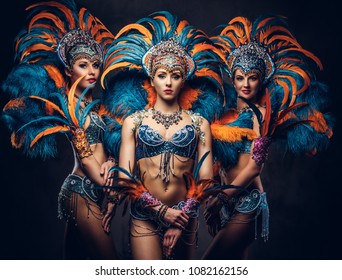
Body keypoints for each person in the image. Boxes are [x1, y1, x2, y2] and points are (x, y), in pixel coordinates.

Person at [99, 11, 230, 260]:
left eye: (175, 75)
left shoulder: (199, 123)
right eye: (162, 75)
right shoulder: (134, 121)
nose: (168, 82)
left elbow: (205, 179)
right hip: (145, 217)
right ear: (152, 78)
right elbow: (126, 179)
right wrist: (161, 212)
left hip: (185, 218)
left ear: (184, 80)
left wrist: (179, 217)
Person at [202, 14, 334, 259]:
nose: (246, 84)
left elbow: (254, 168)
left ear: (260, 80)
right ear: (233, 77)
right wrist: (214, 201)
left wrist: (220, 198)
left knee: (208, 265)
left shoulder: (263, 115)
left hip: (249, 204)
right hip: (226, 205)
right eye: (240, 77)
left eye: (252, 78)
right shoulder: (224, 114)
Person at [1, 0, 118, 259]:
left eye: (95, 65)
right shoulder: (69, 105)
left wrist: (111, 162)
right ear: (68, 69)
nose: (91, 71)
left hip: (93, 192)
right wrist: (109, 186)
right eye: (83, 65)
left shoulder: (95, 106)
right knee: (111, 266)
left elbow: (104, 148)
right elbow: (87, 159)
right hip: (82, 191)